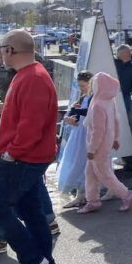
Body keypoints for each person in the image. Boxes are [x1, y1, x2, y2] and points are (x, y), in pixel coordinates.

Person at [0, 30, 58, 264]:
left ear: (10, 50)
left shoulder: (32, 78)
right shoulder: (29, 75)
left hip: (22, 159)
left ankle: (32, 261)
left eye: (1, 48)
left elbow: (31, 126)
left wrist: (12, 153)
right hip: (28, 157)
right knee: (31, 211)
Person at [77, 72, 132, 214]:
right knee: (90, 172)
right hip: (107, 141)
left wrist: (91, 149)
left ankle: (125, 194)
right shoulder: (109, 99)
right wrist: (116, 138)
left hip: (98, 145)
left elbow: (98, 131)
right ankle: (92, 200)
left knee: (104, 174)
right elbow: (116, 120)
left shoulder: (97, 103)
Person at [56, 70, 93, 208]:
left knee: (82, 162)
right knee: (76, 161)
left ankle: (83, 194)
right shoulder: (84, 97)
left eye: (84, 86)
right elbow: (73, 109)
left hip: (87, 133)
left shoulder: (94, 97)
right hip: (78, 133)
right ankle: (81, 194)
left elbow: (89, 111)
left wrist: (74, 112)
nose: (81, 89)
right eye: (80, 86)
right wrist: (68, 118)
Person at [114, 44, 132, 116]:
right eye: (128, 52)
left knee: (124, 116)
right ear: (120, 54)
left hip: (126, 96)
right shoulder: (112, 64)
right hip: (113, 96)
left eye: (130, 52)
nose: (130, 54)